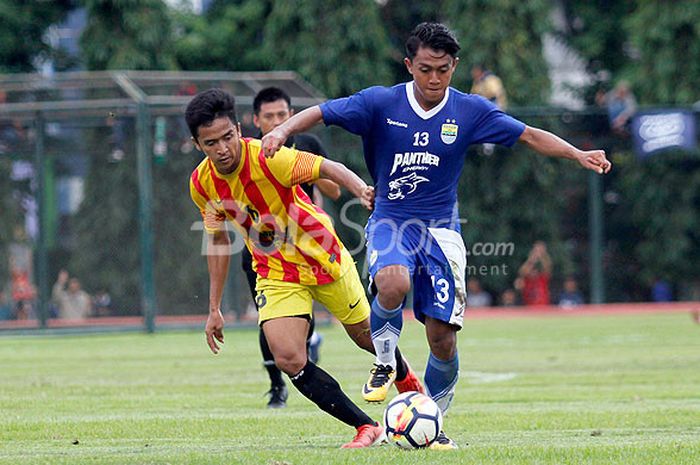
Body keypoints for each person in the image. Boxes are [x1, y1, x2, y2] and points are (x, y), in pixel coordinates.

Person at [261, 22, 612, 449]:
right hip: (391, 219)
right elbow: (322, 111)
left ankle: (434, 422)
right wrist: (282, 131)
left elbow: (529, 135)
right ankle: (386, 363)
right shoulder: (379, 102)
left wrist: (577, 153)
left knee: (441, 337)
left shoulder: (470, 110)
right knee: (393, 281)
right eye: (425, 69)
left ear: (454, 66)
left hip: (442, 231)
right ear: (410, 65)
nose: (433, 79)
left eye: (443, 70)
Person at [186, 88, 424, 449]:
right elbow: (218, 241)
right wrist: (214, 308)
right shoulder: (201, 184)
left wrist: (361, 190)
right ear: (197, 144)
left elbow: (327, 167)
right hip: (276, 273)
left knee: (366, 337)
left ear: (238, 129)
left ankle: (405, 378)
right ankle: (367, 427)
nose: (222, 149)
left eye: (227, 137)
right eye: (210, 143)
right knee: (288, 356)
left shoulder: (270, 158)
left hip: (321, 256)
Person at [247, 86, 341, 409]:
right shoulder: (249, 152)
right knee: (268, 318)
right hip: (264, 248)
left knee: (306, 316)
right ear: (255, 120)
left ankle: (309, 339)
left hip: (308, 244)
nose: (276, 121)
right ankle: (276, 387)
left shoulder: (307, 144)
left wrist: (310, 169)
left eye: (282, 115)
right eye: (268, 116)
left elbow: (334, 191)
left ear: (291, 115)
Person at [518, 242, 552, 306]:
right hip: (529, 309)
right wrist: (532, 258)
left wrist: (542, 254)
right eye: (531, 270)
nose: (533, 272)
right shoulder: (526, 280)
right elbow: (522, 271)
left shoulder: (542, 279)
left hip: (543, 308)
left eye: (535, 270)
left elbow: (547, 267)